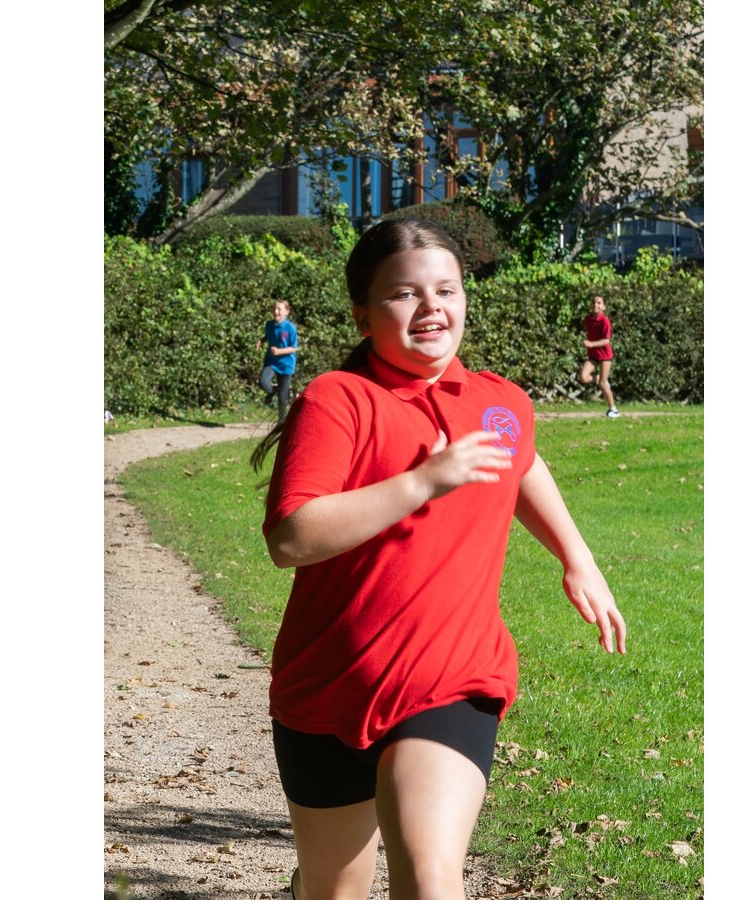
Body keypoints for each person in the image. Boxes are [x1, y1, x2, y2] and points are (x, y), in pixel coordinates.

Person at [250, 218, 626, 900]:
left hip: (452, 678)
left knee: (430, 877)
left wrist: (577, 557)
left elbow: (522, 462)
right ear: (363, 314)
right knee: (334, 891)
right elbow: (292, 538)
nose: (431, 307)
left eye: (446, 290)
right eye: (404, 293)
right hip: (329, 687)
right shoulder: (336, 401)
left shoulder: (500, 402)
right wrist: (422, 481)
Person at [257, 299, 299, 424]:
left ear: (286, 312)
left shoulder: (290, 328)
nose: (276, 311)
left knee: (282, 398)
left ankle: (281, 423)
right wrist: (261, 340)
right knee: (263, 382)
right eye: (274, 309)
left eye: (279, 309)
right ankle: (272, 391)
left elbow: (294, 347)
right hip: (271, 362)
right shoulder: (269, 324)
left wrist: (279, 351)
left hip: (286, 365)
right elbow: (269, 335)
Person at [578, 294, 619, 418]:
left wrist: (591, 344)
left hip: (605, 356)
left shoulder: (604, 321)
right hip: (593, 355)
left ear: (604, 307)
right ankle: (601, 378)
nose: (595, 305)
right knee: (583, 377)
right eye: (593, 302)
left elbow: (606, 340)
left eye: (599, 303)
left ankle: (614, 410)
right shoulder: (588, 319)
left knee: (602, 383)